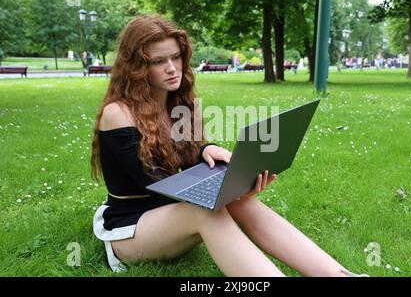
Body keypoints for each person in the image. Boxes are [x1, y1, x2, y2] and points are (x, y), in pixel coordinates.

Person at [90, 14, 368, 277]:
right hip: (129, 229)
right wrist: (227, 189)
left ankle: (338, 275)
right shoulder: (118, 113)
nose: (172, 68)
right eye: (158, 61)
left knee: (235, 202)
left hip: (168, 220)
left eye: (176, 57)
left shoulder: (178, 103)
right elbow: (157, 185)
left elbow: (186, 154)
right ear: (137, 67)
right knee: (206, 210)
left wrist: (207, 152)